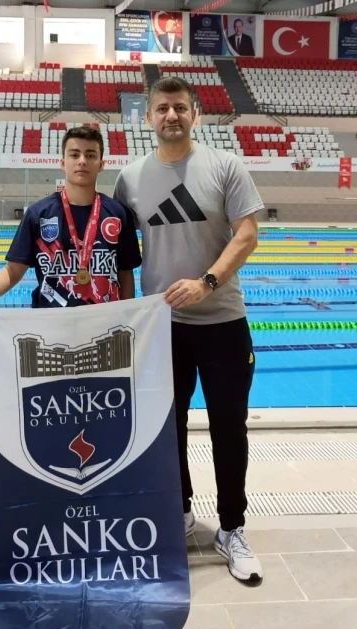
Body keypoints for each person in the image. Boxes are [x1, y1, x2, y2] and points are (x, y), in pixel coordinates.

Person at [113, 76, 264, 584]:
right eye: (162, 108)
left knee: (229, 428)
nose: (171, 116)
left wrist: (207, 282)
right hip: (163, 327)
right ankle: (177, 514)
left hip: (223, 321)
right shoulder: (130, 178)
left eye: (179, 107)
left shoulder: (225, 166)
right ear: (147, 117)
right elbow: (119, 252)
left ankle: (232, 528)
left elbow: (248, 233)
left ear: (195, 114)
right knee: (167, 429)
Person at [0, 126, 141, 319]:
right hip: (51, 323)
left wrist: (126, 318)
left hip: (105, 321)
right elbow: (14, 270)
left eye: (90, 155)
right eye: (74, 155)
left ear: (101, 164)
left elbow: (125, 273)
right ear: (63, 163)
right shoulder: (39, 214)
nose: (82, 161)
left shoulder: (117, 214)